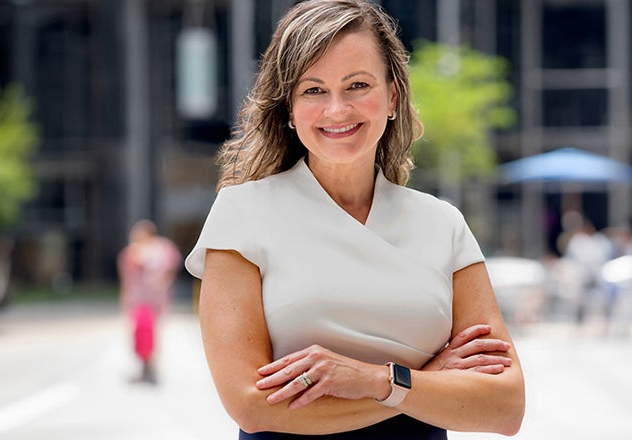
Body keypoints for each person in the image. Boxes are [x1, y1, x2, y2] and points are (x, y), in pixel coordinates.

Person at [184, 2, 524, 438]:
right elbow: (252, 405)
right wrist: (427, 379)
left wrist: (376, 379)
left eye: (358, 84)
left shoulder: (443, 224)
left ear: (393, 97)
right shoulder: (242, 214)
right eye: (313, 90)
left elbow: (505, 406)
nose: (337, 109)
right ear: (288, 108)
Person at [118, 220, 181, 385]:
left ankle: (151, 367)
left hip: (155, 300)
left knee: (152, 334)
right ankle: (145, 366)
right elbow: (126, 279)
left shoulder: (163, 249)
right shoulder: (131, 253)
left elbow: (170, 269)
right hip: (139, 299)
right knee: (140, 333)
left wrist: (164, 284)